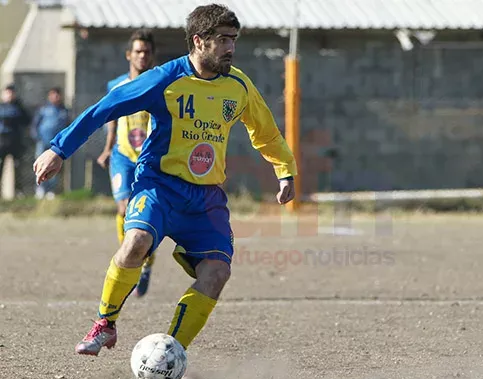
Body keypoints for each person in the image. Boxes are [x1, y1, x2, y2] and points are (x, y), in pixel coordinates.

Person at [33, 3, 297, 356]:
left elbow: (265, 132)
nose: (231, 48)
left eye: (234, 39)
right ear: (199, 41)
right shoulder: (165, 79)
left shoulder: (238, 86)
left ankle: (171, 352)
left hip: (206, 199)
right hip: (159, 185)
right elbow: (106, 108)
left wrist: (285, 170)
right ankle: (104, 324)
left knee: (217, 272)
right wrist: (58, 149)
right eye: (223, 40)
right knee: (137, 240)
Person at [96, 29, 157, 297]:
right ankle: (130, 261)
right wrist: (108, 148)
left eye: (146, 52)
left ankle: (145, 265)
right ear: (128, 55)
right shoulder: (116, 86)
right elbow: (111, 117)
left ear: (151, 55)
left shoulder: (159, 83)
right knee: (123, 209)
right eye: (138, 51)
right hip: (122, 156)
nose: (142, 56)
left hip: (149, 158)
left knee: (147, 217)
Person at [31, 87, 70, 199]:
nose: (55, 97)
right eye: (53, 94)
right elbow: (35, 125)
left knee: (53, 167)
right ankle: (40, 188)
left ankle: (51, 190)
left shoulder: (64, 111)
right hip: (42, 142)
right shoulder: (43, 109)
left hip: (56, 145)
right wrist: (37, 137)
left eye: (57, 95)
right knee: (40, 165)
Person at [0, 84, 30, 197]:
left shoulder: (19, 107)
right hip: (1, 142)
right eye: (7, 93)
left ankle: (18, 191)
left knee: (17, 167)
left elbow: (27, 121)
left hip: (15, 142)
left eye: (11, 93)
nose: (10, 95)